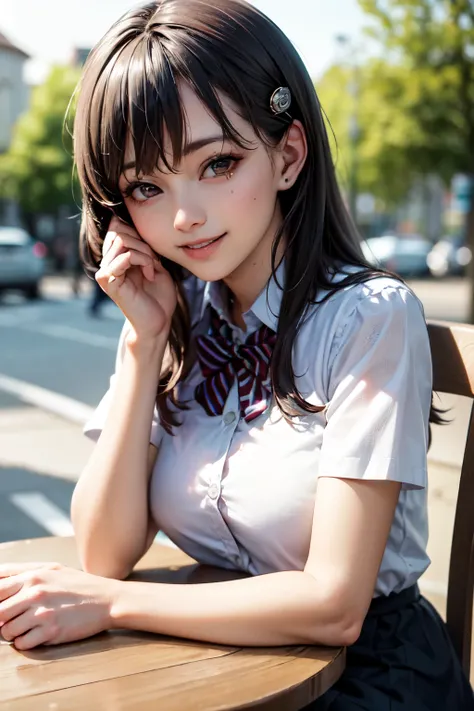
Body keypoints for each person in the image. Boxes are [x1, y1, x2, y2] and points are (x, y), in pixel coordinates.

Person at [0, 1, 472, 708]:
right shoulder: (182, 319)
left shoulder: (368, 318)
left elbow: (333, 603)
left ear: (288, 155)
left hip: (367, 676)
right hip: (217, 664)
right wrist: (143, 341)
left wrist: (112, 604)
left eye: (217, 163)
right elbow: (103, 549)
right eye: (147, 187)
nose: (184, 215)